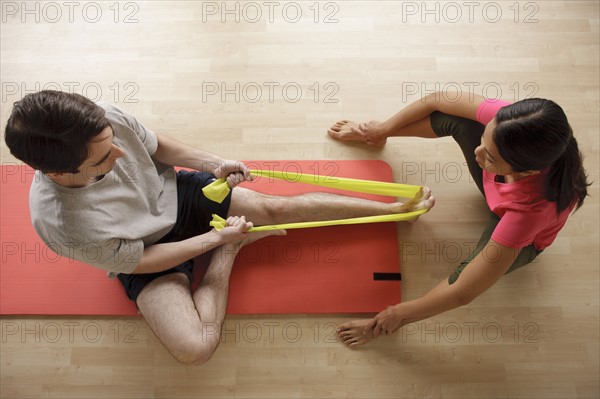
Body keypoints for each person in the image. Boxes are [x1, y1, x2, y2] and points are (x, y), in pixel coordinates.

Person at [4, 90, 434, 364]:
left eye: (113, 142)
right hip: (142, 248)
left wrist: (211, 164)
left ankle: (393, 207)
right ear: (59, 174)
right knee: (195, 348)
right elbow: (139, 262)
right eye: (101, 161)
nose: (118, 154)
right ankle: (231, 251)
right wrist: (217, 241)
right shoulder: (62, 223)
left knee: (276, 208)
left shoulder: (102, 120)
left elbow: (158, 146)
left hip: (178, 195)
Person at [329, 92, 590, 346]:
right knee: (457, 118)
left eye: (490, 156)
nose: (477, 153)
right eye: (484, 141)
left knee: (465, 272)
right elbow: (436, 100)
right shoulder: (512, 122)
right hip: (498, 196)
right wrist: (379, 130)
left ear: (528, 171)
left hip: (521, 236)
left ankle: (390, 324)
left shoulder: (531, 212)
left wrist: (395, 315)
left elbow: (463, 292)